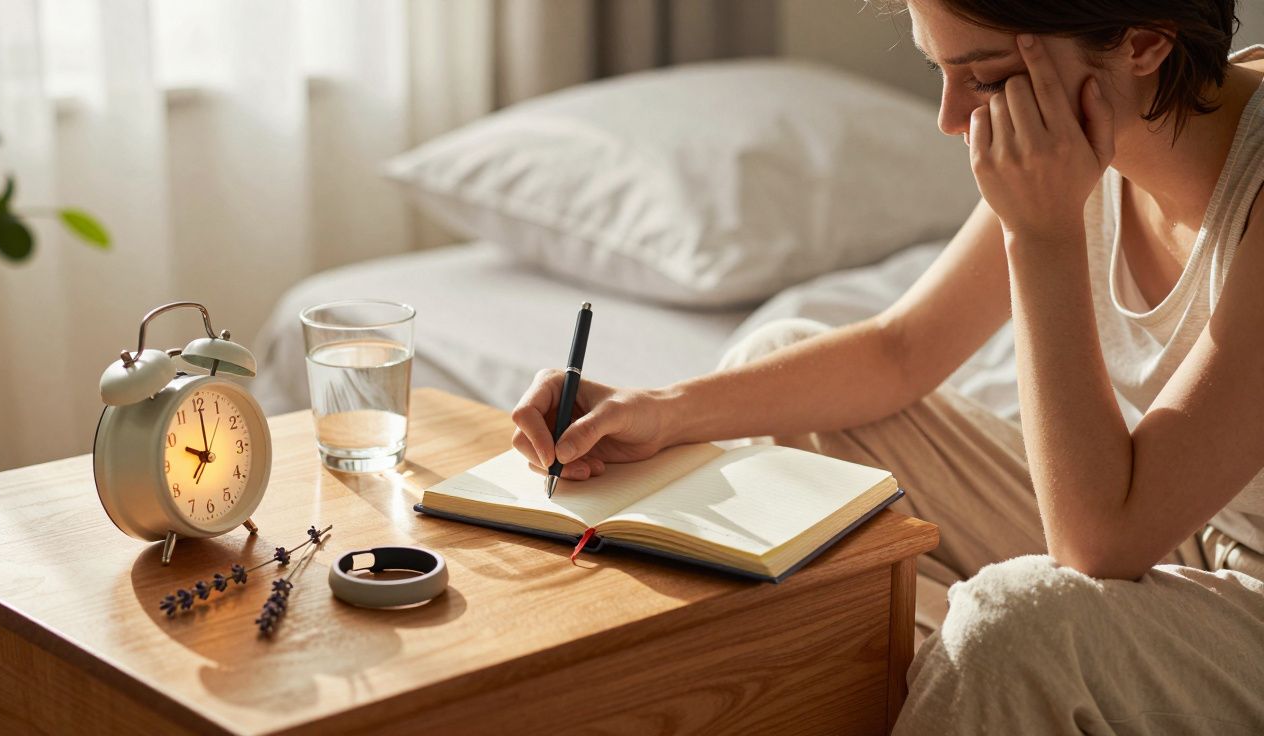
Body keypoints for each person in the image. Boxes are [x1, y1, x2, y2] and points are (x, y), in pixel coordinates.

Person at [510, 0, 1264, 731]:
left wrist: (1042, 235)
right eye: (940, 69)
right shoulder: (1103, 129)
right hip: (1182, 523)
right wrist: (661, 408)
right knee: (776, 372)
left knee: (1017, 626)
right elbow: (904, 350)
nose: (950, 117)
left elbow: (1100, 543)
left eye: (988, 77)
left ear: (1143, 43)